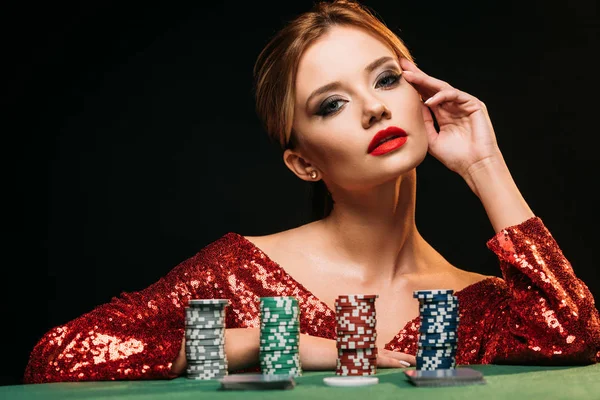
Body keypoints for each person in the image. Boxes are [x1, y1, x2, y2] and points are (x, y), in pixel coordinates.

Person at [24, 0, 600, 384]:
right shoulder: (237, 270)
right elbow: (57, 357)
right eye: (332, 103)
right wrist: (260, 343)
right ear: (303, 163)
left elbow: (573, 338)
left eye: (385, 78)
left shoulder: (478, 303)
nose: (375, 106)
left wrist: (483, 164)